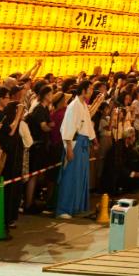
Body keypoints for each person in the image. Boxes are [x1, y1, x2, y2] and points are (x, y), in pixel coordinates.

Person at [56, 83, 94, 219]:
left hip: (83, 142)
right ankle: (63, 209)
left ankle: (77, 206)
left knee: (81, 175)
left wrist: (93, 140)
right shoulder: (73, 106)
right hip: (74, 143)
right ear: (83, 91)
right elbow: (67, 127)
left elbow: (88, 124)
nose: (91, 91)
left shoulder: (83, 105)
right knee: (70, 176)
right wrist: (69, 148)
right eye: (89, 89)